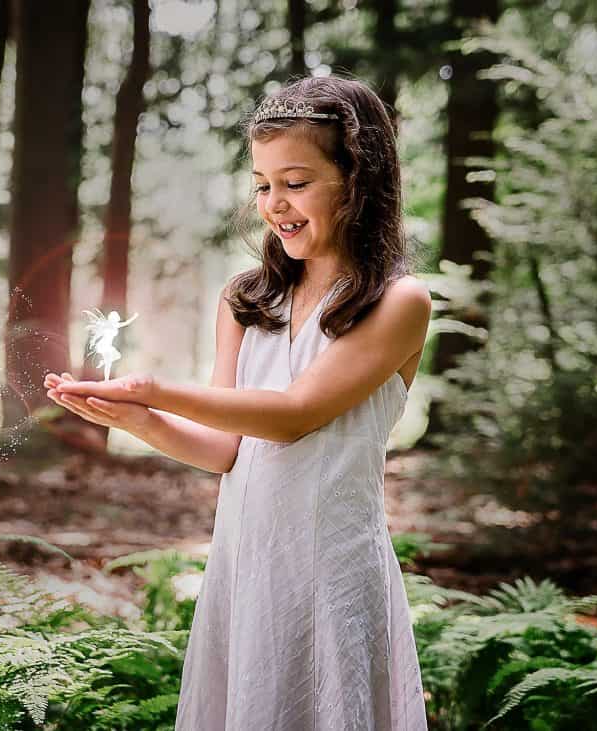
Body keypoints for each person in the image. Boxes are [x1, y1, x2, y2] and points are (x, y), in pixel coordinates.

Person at [44, 74, 430, 730]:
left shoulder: (397, 303)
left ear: (358, 180)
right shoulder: (246, 302)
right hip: (248, 564)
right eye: (262, 183)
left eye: (297, 181)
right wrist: (138, 419)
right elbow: (226, 447)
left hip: (336, 575)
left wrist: (152, 387)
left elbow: (292, 416)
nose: (275, 203)